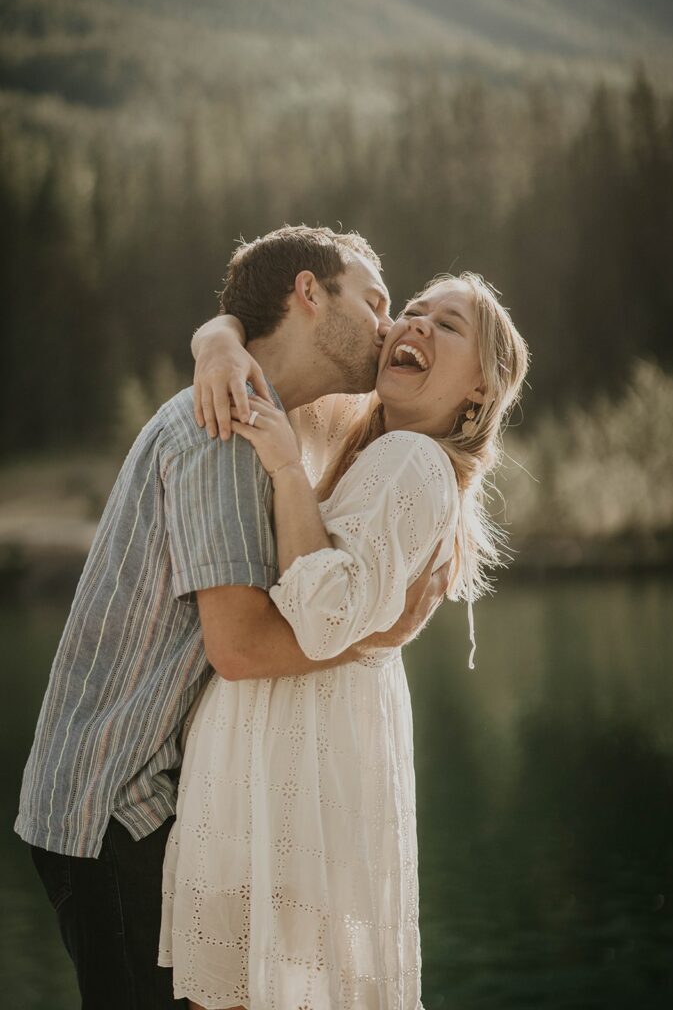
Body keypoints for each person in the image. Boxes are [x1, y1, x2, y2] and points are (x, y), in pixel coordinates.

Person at [14, 225, 447, 1010]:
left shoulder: (267, 417)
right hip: (113, 805)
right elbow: (241, 647)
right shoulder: (225, 425)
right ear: (310, 294)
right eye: (375, 300)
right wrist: (378, 637)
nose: (389, 326)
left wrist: (216, 334)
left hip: (137, 797)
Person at [158, 268, 529, 1008]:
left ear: (478, 391)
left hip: (300, 772)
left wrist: (288, 471)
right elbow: (244, 350)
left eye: (446, 325)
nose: (414, 324)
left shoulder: (414, 461)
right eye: (412, 312)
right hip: (277, 761)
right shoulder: (368, 442)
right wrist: (220, 340)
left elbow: (323, 620)